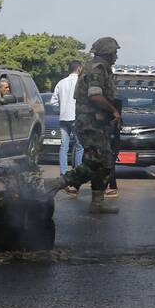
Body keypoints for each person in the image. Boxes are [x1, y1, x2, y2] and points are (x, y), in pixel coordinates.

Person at [45, 37, 122, 214]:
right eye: (114, 53)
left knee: (103, 162)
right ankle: (57, 183)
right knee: (97, 162)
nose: (116, 56)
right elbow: (95, 95)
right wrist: (113, 111)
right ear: (107, 53)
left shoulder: (99, 68)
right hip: (90, 123)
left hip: (96, 122)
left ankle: (97, 202)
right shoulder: (97, 69)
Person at [51, 62, 85, 186]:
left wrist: (62, 108)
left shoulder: (61, 83)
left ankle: (63, 172)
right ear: (79, 69)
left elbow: (53, 102)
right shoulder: (82, 82)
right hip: (77, 117)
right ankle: (78, 172)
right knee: (80, 146)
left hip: (63, 117)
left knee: (64, 146)